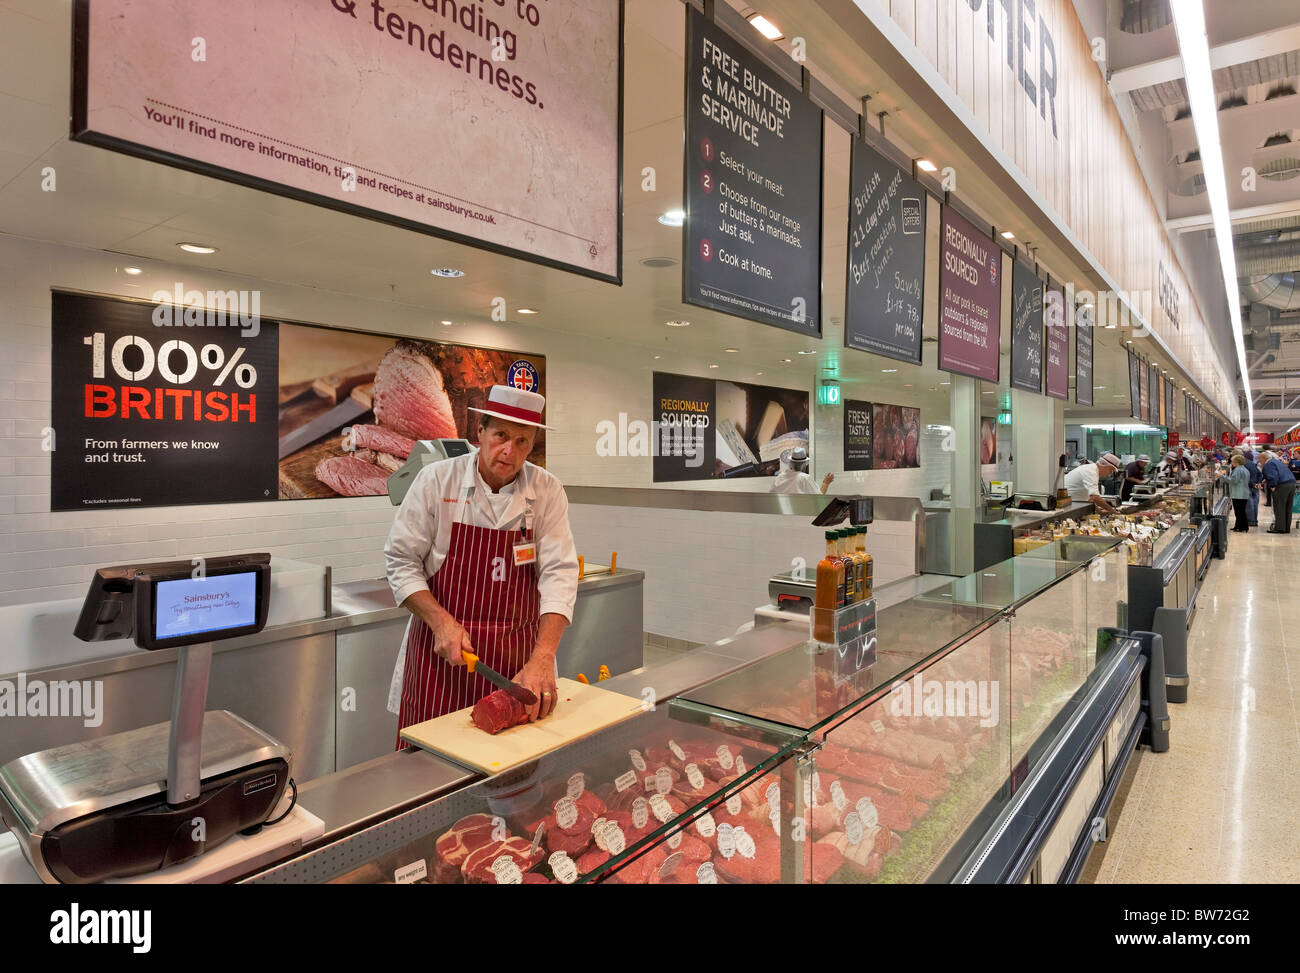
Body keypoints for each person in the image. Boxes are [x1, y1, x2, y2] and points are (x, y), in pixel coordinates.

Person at [384, 385, 578, 747]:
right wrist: (441, 623)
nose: (509, 450)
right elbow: (400, 561)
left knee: (511, 778)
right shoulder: (437, 481)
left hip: (516, 663)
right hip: (439, 659)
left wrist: (544, 657)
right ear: (480, 433)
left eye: (522, 441)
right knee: (428, 775)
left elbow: (560, 575)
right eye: (501, 435)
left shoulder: (547, 490)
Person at [1260, 450, 1297, 534]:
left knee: (1279, 506)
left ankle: (1279, 528)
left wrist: (1272, 485)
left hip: (1281, 485)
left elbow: (1273, 475)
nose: (1259, 461)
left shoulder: (1268, 464)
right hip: (1291, 484)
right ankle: (1286, 528)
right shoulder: (1277, 462)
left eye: (1260, 459)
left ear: (1264, 458)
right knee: (1288, 507)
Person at [1228, 455, 1251, 532]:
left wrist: (1222, 476)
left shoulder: (1237, 470)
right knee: (1241, 511)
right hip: (1244, 493)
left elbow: (1233, 481)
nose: (1231, 463)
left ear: (1236, 462)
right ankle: (1240, 526)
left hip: (1238, 494)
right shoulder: (1245, 469)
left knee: (1238, 512)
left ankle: (1240, 527)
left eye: (1232, 461)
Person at [1243, 450, 1261, 527]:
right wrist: (1258, 483)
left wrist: (1253, 484)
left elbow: (1246, 477)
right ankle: (1255, 520)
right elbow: (1260, 474)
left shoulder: (1244, 464)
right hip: (1255, 486)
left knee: (1249, 504)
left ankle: (1250, 521)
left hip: (1249, 486)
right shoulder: (1253, 464)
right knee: (1255, 504)